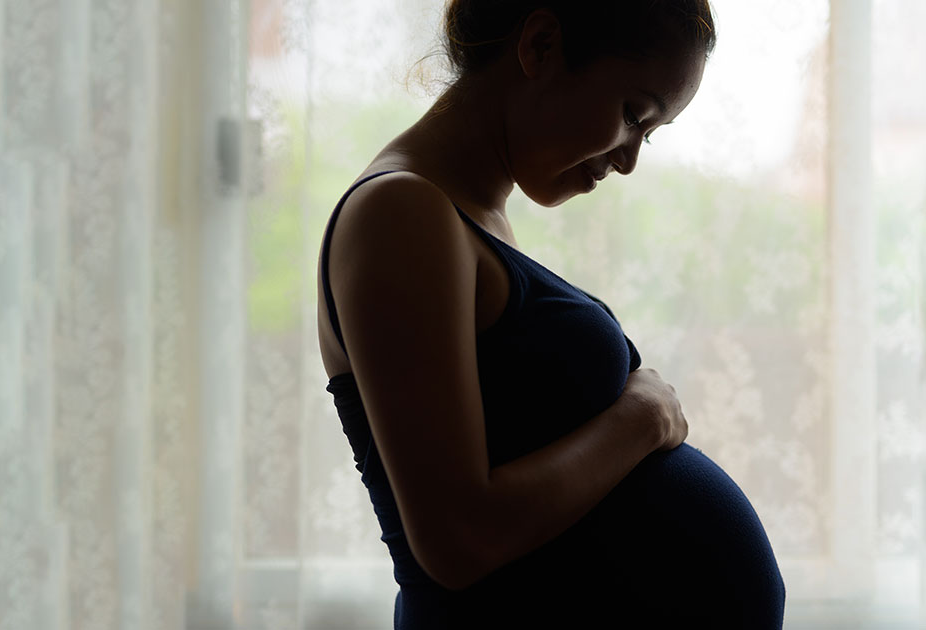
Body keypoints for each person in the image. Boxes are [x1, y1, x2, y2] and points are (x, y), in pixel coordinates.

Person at [316, 1, 786, 627]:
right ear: (540, 45)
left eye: (648, 135)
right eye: (631, 115)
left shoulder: (469, 217)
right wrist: (640, 421)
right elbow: (458, 538)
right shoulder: (400, 212)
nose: (628, 160)